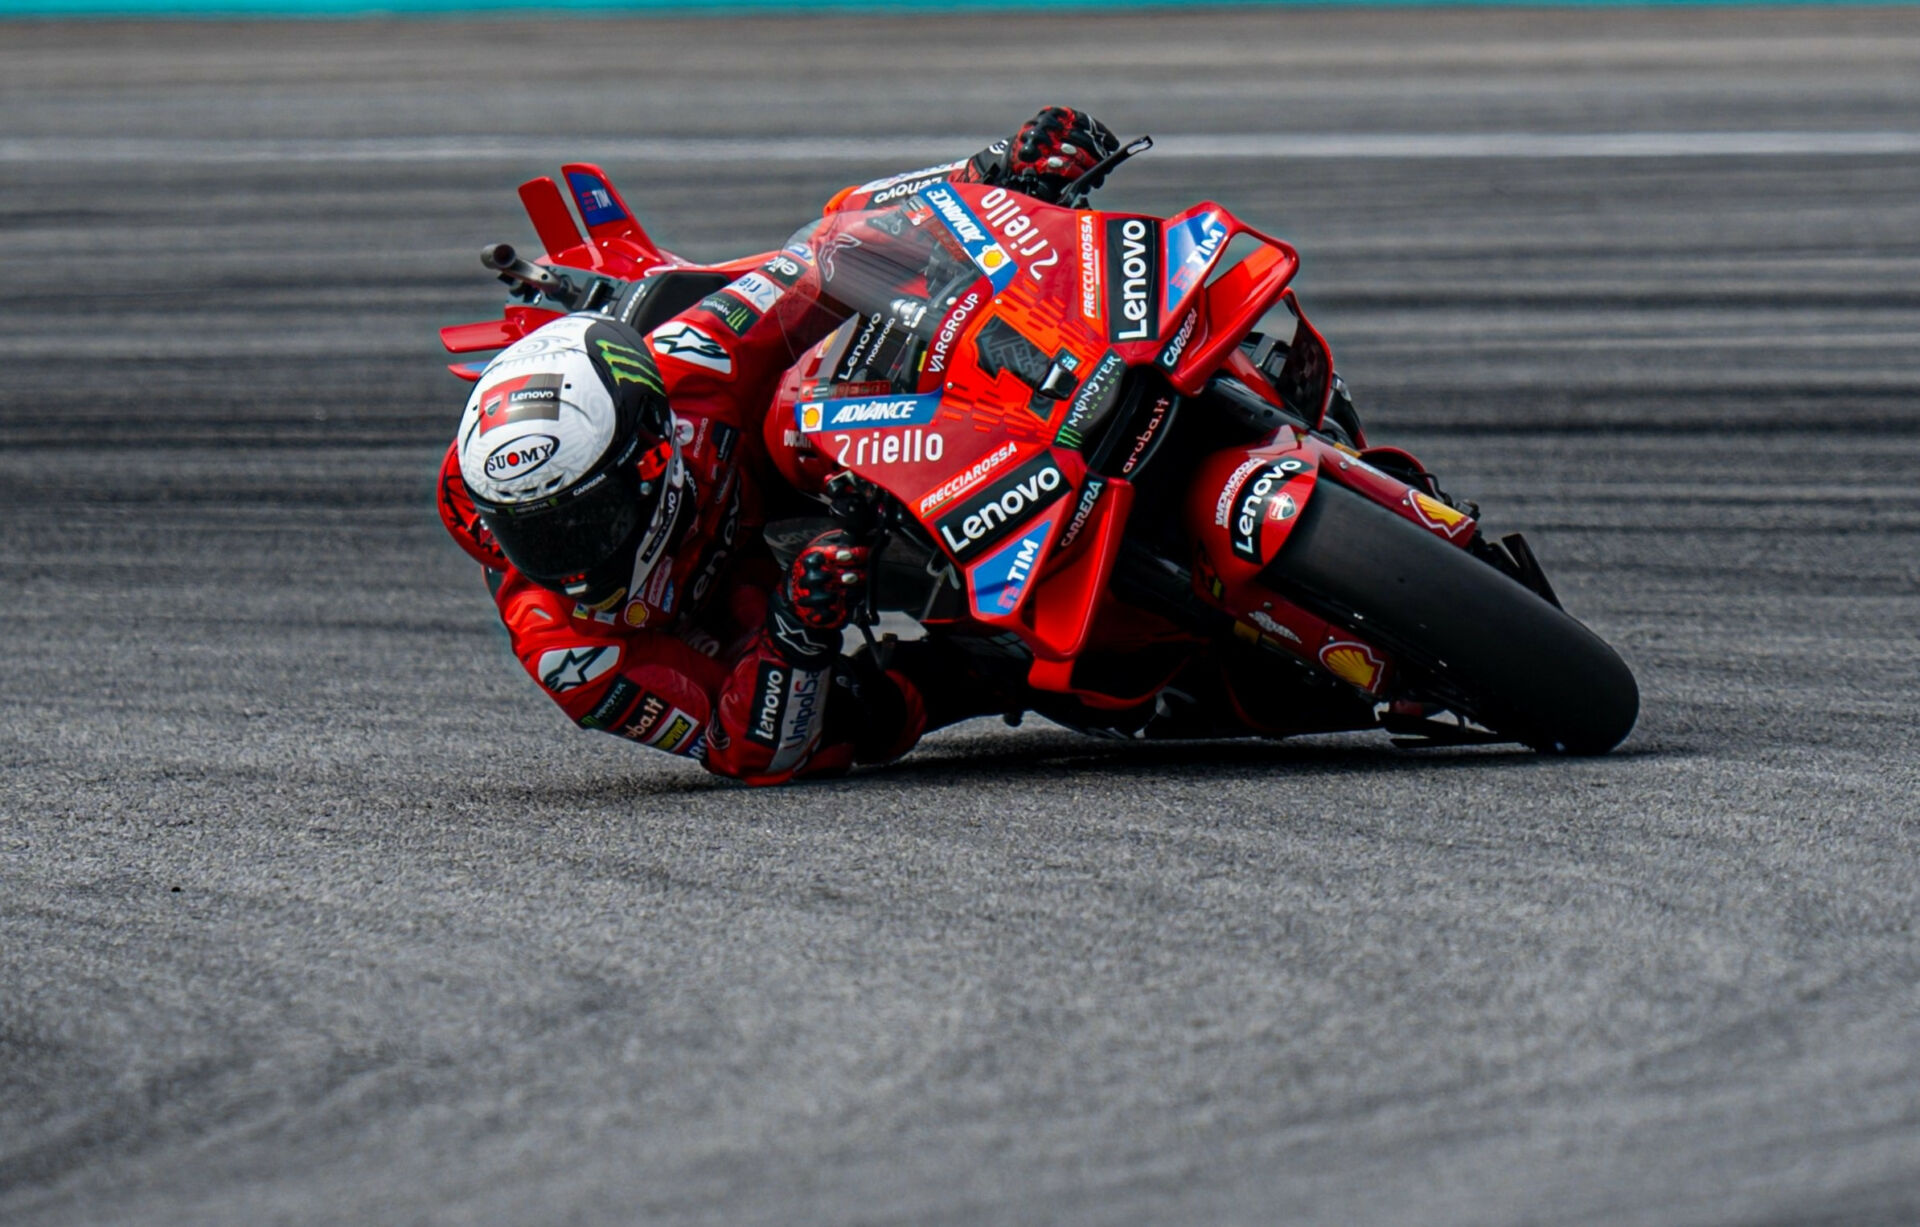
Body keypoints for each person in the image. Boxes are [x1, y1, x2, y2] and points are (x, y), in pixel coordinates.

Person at [436, 108, 1119, 785]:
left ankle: (1052, 379)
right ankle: (993, 670)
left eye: (580, 520)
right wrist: (796, 627)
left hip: (821, 464)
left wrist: (998, 172)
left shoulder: (691, 361)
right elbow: (740, 749)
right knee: (854, 722)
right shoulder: (567, 649)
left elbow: (824, 255)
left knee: (804, 402)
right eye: (536, 537)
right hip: (760, 614)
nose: (567, 560)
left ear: (647, 453)